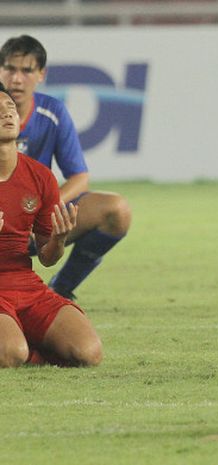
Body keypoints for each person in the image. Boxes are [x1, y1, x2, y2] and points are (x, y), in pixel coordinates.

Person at [0, 35, 131, 300]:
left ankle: (60, 288)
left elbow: (80, 177)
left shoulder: (53, 112)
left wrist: (44, 209)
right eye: (11, 69)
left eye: (27, 70)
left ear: (41, 75)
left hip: (36, 219)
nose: (16, 79)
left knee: (117, 210)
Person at [0, 82, 102, 368]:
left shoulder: (40, 177)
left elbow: (46, 257)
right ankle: (20, 346)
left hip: (25, 285)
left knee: (88, 353)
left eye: (10, 109)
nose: (7, 115)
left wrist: (58, 239)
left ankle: (21, 341)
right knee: (11, 353)